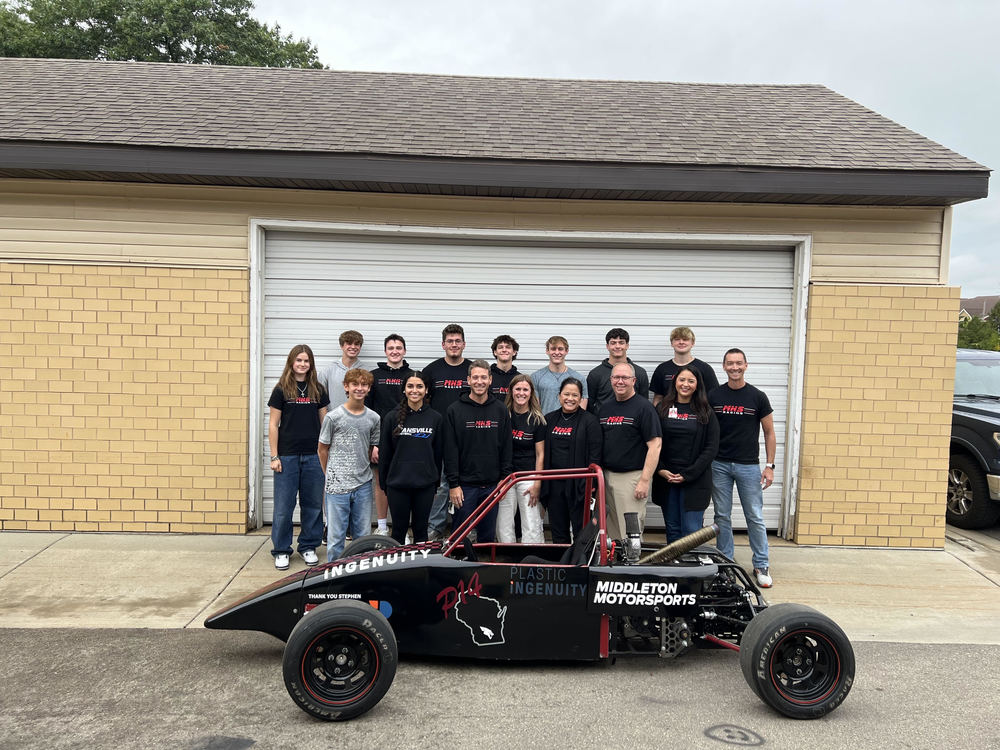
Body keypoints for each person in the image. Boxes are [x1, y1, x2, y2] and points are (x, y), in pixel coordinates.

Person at [709, 348, 777, 588]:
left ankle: (761, 564)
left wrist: (769, 466)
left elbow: (769, 433)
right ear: (724, 366)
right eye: (730, 363)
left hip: (749, 466)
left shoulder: (757, 396)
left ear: (746, 366)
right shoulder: (714, 396)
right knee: (722, 516)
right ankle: (726, 565)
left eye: (739, 363)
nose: (734, 367)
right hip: (719, 465)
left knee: (755, 517)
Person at [267, 344, 330, 570]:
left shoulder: (318, 390)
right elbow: (273, 425)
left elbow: (326, 424)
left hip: (314, 456)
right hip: (287, 456)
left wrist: (326, 454)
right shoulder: (281, 390)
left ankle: (308, 546)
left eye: (306, 360)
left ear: (310, 364)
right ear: (291, 362)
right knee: (284, 507)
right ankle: (282, 550)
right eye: (299, 360)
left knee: (312, 505)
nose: (303, 364)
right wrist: (274, 456)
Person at [444, 359, 513, 544]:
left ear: (490, 380)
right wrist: (453, 484)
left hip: (492, 486)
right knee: (459, 538)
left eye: (483, 377)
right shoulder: (454, 410)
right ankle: (456, 568)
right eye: (475, 377)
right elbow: (450, 450)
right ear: (468, 380)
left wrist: (504, 478)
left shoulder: (500, 409)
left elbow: (506, 446)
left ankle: (482, 570)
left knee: (487, 538)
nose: (479, 381)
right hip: (464, 487)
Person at [317, 368, 381, 562]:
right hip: (337, 487)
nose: (359, 388)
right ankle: (334, 576)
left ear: (369, 388)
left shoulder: (374, 418)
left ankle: (358, 574)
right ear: (346, 386)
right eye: (355, 384)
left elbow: (371, 448)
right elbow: (322, 449)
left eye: (364, 385)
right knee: (336, 538)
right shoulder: (333, 417)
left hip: (363, 484)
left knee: (362, 537)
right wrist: (330, 474)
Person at [652, 366, 720, 542]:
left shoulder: (706, 412)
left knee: (691, 530)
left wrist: (688, 474)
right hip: (667, 479)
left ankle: (691, 568)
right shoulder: (661, 408)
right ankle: (674, 567)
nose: (685, 384)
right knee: (673, 528)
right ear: (675, 382)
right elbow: (652, 442)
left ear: (697, 385)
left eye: (691, 381)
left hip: (695, 480)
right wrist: (660, 469)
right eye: (682, 380)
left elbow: (711, 447)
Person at [378, 371, 444, 545]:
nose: (415, 390)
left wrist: (435, 483)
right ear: (404, 390)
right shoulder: (392, 418)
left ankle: (420, 569)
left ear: (427, 390)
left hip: (425, 485)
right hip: (397, 485)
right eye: (410, 386)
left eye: (419, 386)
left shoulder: (436, 418)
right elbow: (385, 454)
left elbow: (438, 454)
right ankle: (398, 569)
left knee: (421, 530)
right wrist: (384, 483)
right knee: (398, 531)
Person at [599, 362, 662, 542]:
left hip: (631, 478)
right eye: (616, 377)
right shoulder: (605, 407)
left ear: (633, 380)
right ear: (610, 380)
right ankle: (616, 567)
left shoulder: (644, 408)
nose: (620, 381)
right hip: (606, 475)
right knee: (611, 531)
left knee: (630, 531)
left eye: (625, 378)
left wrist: (644, 480)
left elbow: (655, 445)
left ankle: (632, 567)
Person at [540, 377, 602, 544]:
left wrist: (591, 484)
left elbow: (595, 455)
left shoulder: (590, 421)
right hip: (554, 485)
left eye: (575, 395)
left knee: (581, 531)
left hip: (579, 486)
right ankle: (562, 565)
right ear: (559, 396)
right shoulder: (549, 419)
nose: (570, 398)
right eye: (566, 394)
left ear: (581, 398)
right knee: (558, 532)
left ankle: (579, 565)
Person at [424, 323, 470, 541]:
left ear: (464, 344)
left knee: (467, 484)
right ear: (443, 345)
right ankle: (435, 528)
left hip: (469, 437)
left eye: (457, 341)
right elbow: (423, 402)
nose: (454, 345)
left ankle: (466, 530)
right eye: (450, 341)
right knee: (442, 486)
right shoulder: (431, 371)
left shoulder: (472, 370)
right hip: (439, 438)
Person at [366, 334, 413, 536]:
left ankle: (409, 527)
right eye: (391, 347)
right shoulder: (373, 376)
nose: (395, 351)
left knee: (410, 482)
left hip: (409, 439)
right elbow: (366, 412)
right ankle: (383, 526)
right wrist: (373, 443)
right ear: (385, 351)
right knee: (381, 482)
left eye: (399, 347)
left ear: (404, 351)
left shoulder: (412, 375)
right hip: (381, 440)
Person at [498, 374, 545, 544]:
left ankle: (532, 558)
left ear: (531, 393)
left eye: (525, 389)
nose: (521, 393)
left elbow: (541, 454)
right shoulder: (503, 416)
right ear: (511, 391)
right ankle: (506, 558)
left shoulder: (537, 420)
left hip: (528, 476)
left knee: (530, 521)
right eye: (518, 389)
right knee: (504, 522)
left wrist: (537, 483)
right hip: (506, 476)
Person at [587, 327, 650, 417]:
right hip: (603, 425)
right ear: (607, 346)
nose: (617, 346)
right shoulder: (595, 374)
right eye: (613, 343)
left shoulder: (639, 373)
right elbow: (590, 405)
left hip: (632, 425)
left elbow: (644, 402)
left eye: (621, 343)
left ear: (627, 346)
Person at [651, 326, 719, 406]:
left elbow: (713, 397)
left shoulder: (705, 369)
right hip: (668, 416)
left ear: (692, 343)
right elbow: (658, 397)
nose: (681, 342)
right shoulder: (662, 369)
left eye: (685, 339)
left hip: (697, 416)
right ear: (672, 343)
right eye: (677, 339)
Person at [532, 335, 589, 414]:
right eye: (553, 349)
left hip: (571, 425)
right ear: (547, 351)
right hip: (545, 424)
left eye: (560, 349)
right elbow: (535, 408)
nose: (557, 352)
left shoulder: (579, 378)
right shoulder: (536, 377)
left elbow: (582, 409)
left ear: (567, 351)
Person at [319, 330, 368, 410]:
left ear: (360, 347)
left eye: (356, 344)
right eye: (349, 343)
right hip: (334, 420)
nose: (353, 347)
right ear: (342, 346)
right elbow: (320, 401)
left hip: (360, 420)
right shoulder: (327, 371)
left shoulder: (367, 371)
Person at [489, 334, 521, 400]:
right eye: (500, 347)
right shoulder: (487, 376)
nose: (504, 350)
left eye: (508, 347)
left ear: (514, 352)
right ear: (495, 352)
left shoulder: (519, 378)